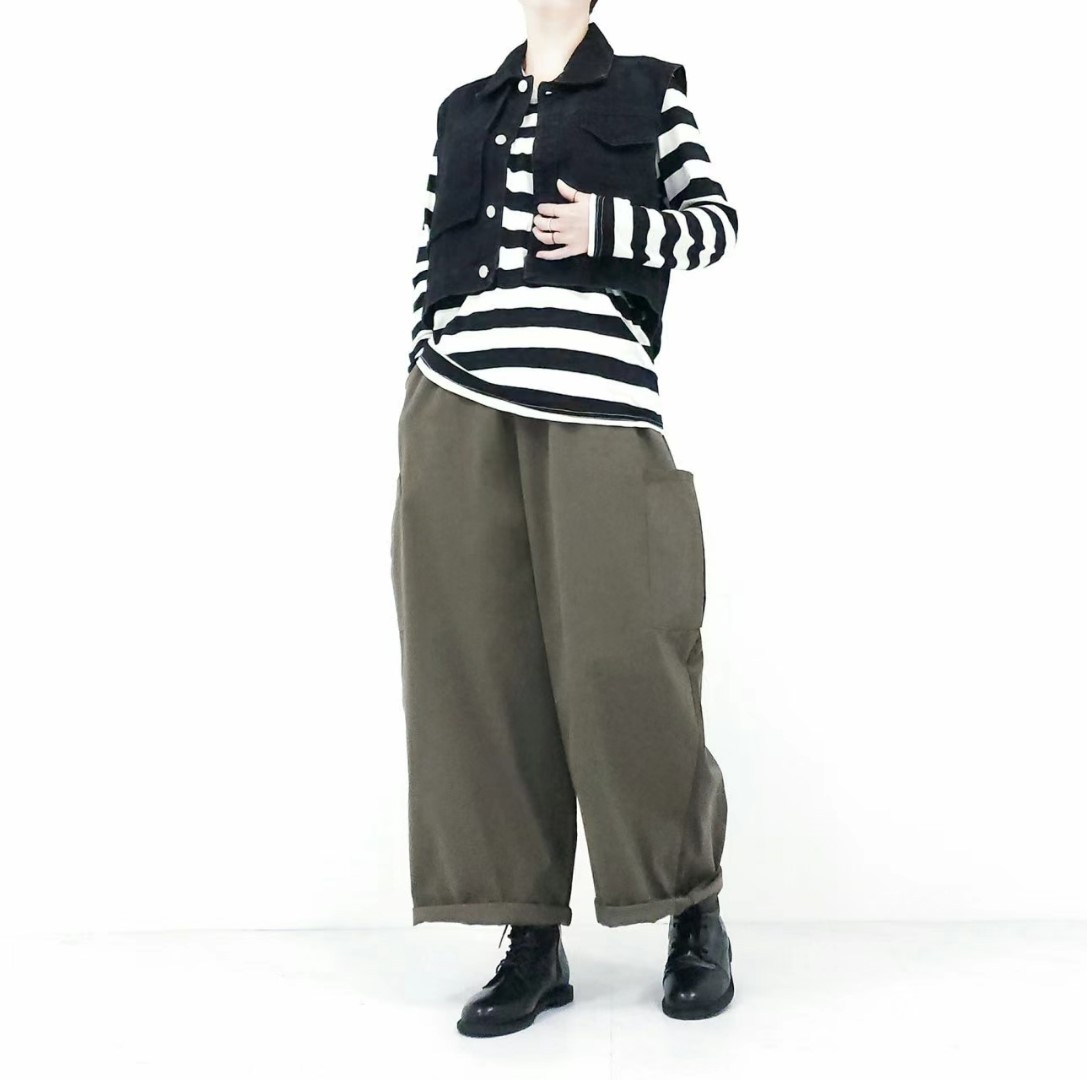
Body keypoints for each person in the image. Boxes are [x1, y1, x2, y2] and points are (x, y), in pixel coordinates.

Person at [391, 0, 738, 1036]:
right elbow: (429, 256)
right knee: (478, 669)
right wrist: (419, 366)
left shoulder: (647, 92)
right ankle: (528, 936)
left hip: (595, 402)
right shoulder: (465, 110)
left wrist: (609, 228)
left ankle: (691, 909)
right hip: (455, 403)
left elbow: (714, 224)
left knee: (623, 657)